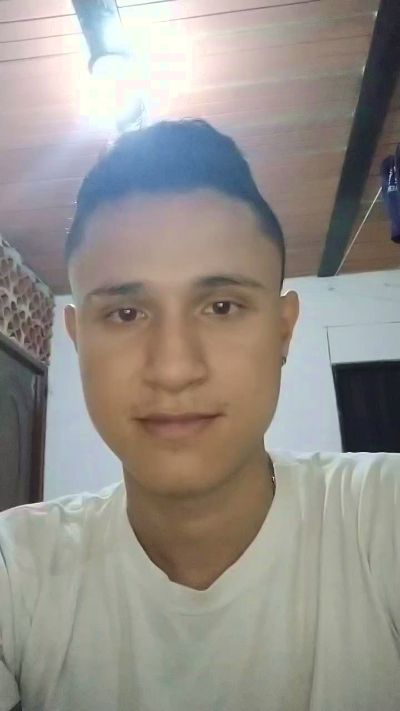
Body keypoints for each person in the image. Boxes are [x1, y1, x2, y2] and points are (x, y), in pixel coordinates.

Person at [0, 119, 399, 711]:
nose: (174, 368)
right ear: (78, 340)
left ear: (282, 331)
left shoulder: (382, 519)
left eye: (222, 306)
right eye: (126, 314)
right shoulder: (16, 570)